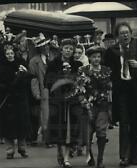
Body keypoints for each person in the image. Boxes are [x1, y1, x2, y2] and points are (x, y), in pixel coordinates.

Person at [105, 22, 137, 167]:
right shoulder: (111, 51)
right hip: (122, 91)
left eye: (127, 32)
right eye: (121, 33)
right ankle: (124, 157)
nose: (125, 35)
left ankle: (135, 157)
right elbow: (107, 70)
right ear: (117, 36)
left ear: (131, 34)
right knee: (124, 124)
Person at [45, 38, 83, 168]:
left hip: (72, 101)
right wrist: (62, 74)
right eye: (66, 48)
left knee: (71, 129)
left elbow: (81, 83)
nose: (68, 51)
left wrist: (72, 77)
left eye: (71, 49)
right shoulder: (53, 64)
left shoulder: (77, 65)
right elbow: (48, 82)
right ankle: (60, 150)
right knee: (59, 127)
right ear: (61, 49)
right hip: (58, 101)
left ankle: (67, 157)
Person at [0, 42, 34, 159]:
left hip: (20, 99)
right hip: (7, 99)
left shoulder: (20, 63)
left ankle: (22, 148)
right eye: (7, 53)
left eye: (11, 53)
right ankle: (10, 150)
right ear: (4, 54)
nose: (10, 55)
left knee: (22, 124)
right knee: (8, 126)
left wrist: (23, 74)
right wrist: (7, 86)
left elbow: (29, 80)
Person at [76, 45, 112, 168]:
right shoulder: (83, 70)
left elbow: (109, 88)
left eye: (98, 57)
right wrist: (83, 101)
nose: (96, 59)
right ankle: (90, 155)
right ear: (89, 58)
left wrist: (109, 102)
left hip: (102, 105)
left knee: (101, 130)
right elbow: (79, 88)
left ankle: (100, 159)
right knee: (88, 132)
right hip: (88, 105)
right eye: (93, 57)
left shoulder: (106, 70)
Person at [28, 33, 51, 147]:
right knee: (45, 116)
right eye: (44, 46)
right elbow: (33, 79)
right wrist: (36, 93)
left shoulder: (53, 57)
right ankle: (47, 139)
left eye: (47, 45)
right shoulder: (34, 61)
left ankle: (52, 137)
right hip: (43, 91)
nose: (46, 48)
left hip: (55, 90)